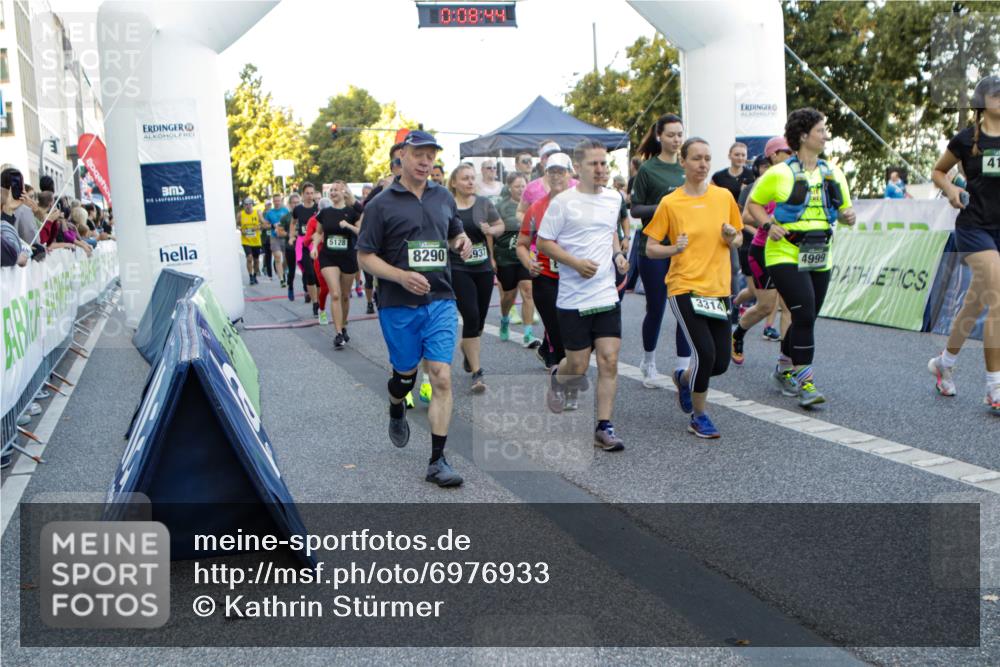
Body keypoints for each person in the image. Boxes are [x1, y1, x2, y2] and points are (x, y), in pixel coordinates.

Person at [357, 130, 473, 487]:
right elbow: (364, 255)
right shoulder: (380, 204)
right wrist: (400, 276)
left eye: (431, 156)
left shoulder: (442, 196)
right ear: (402, 157)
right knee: (404, 376)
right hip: (399, 303)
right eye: (419, 155)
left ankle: (437, 461)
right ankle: (396, 402)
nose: (426, 162)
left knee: (440, 375)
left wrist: (461, 241)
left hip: (440, 298)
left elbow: (453, 232)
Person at [747, 108, 856, 407]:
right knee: (804, 312)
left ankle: (784, 366)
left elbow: (845, 214)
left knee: (808, 315)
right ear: (804, 135)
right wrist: (769, 226)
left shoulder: (834, 173)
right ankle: (806, 382)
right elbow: (752, 206)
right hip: (784, 253)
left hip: (820, 253)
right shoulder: (779, 173)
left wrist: (849, 216)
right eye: (821, 130)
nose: (826, 135)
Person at [644, 137, 743, 438]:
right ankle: (699, 416)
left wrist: (730, 237)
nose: (702, 164)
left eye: (707, 158)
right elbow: (650, 249)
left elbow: (737, 238)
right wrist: (674, 249)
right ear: (683, 162)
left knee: (721, 362)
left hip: (718, 289)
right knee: (705, 354)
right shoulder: (671, 202)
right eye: (696, 158)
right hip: (684, 286)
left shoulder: (723, 196)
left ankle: (684, 379)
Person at [537, 140, 629, 452]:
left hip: (605, 293)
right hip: (574, 298)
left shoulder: (614, 198)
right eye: (594, 164)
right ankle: (558, 378)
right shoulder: (563, 202)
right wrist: (575, 263)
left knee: (609, 359)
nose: (602, 169)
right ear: (579, 168)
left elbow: (610, 234)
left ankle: (604, 426)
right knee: (576, 364)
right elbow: (544, 242)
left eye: (605, 163)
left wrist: (618, 256)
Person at [928, 74, 1000, 413]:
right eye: (996, 94)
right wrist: (952, 189)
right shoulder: (966, 139)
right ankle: (994, 388)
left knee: (976, 303)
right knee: (997, 297)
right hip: (974, 228)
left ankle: (944, 362)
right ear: (981, 101)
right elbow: (939, 171)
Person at [629, 113, 693, 388]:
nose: (676, 139)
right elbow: (635, 209)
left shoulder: (687, 167)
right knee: (656, 308)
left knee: (684, 309)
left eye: (680, 134)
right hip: (653, 248)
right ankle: (649, 362)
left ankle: (682, 368)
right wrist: (665, 207)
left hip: (683, 248)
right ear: (659, 136)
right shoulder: (648, 169)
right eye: (671, 134)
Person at [731, 138, 793, 367]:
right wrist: (770, 223)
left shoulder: (796, 178)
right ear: (773, 155)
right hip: (762, 249)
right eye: (786, 150)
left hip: (788, 251)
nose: (791, 153)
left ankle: (785, 366)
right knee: (766, 306)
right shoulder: (764, 182)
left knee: (789, 308)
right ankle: (738, 334)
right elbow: (745, 216)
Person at [448, 163, 504, 393]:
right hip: (458, 267)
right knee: (470, 316)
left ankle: (467, 348)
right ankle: (477, 374)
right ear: (454, 182)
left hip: (482, 268)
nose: (470, 182)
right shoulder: (447, 205)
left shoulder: (483, 203)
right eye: (465, 178)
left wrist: (492, 231)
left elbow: (500, 225)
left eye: (473, 178)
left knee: (479, 320)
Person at [517, 153, 573, 370]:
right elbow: (521, 244)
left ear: (570, 173)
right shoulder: (536, 208)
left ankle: (557, 361)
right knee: (558, 331)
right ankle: (563, 379)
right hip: (546, 278)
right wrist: (528, 261)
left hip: (576, 278)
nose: (556, 176)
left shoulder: (582, 204)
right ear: (546, 175)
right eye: (552, 171)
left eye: (561, 171)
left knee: (578, 333)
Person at [311, 181, 363, 349]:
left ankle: (344, 324)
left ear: (343, 192)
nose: (332, 192)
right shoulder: (324, 213)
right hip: (328, 257)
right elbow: (318, 233)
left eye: (336, 190)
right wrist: (314, 247)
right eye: (330, 190)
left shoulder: (352, 212)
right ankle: (338, 333)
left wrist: (347, 225)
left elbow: (361, 232)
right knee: (335, 294)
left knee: (345, 296)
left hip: (348, 257)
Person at [494, 172, 541, 348]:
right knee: (508, 296)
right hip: (505, 257)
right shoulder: (501, 207)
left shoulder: (533, 206)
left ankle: (528, 334)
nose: (521, 190)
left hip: (525, 255)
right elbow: (492, 232)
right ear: (509, 187)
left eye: (523, 186)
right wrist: (492, 257)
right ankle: (505, 318)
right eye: (517, 186)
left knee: (528, 291)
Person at [290, 182, 320, 309]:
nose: (309, 196)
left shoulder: (318, 209)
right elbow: (293, 223)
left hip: (316, 243)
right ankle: (315, 302)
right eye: (307, 193)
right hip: (303, 243)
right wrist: (291, 236)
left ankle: (318, 300)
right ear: (303, 194)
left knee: (318, 275)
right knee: (309, 273)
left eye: (312, 193)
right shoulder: (298, 209)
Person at [1, 168, 39, 245]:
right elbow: (33, 241)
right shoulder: (24, 210)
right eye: (31, 197)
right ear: (22, 187)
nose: (34, 201)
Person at [264, 193, 288, 287]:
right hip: (274, 237)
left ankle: (283, 271)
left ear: (281, 201)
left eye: (278, 201)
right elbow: (265, 225)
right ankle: (282, 279)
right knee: (277, 257)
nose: (277, 202)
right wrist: (272, 225)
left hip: (284, 237)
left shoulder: (285, 211)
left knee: (287, 259)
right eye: (275, 201)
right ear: (273, 202)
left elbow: (290, 222)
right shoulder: (270, 213)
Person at [237, 197, 263, 284]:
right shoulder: (240, 214)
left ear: (252, 205)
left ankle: (255, 275)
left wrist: (259, 227)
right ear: (243, 206)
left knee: (256, 260)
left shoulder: (257, 213)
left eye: (249, 204)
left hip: (256, 241)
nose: (248, 206)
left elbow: (263, 224)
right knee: (249, 258)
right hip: (246, 241)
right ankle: (251, 277)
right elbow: (237, 225)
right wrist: (240, 229)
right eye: (246, 204)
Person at [280, 193, 300, 299]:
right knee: (292, 269)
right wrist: (290, 234)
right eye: (293, 203)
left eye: (297, 202)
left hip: (303, 245)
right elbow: (279, 231)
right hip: (290, 246)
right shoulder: (286, 217)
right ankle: (290, 287)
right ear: (290, 204)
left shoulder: (304, 214)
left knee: (307, 269)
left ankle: (307, 289)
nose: (296, 205)